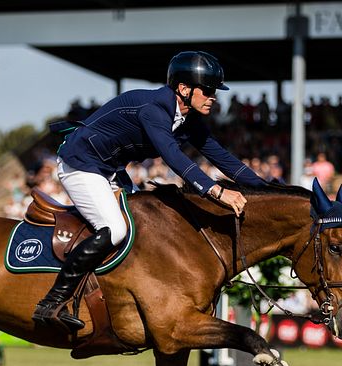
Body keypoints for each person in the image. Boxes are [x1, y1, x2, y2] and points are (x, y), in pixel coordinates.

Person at [32, 50, 266, 332]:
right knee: (115, 229)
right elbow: (174, 157)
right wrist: (216, 191)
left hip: (110, 169)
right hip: (81, 164)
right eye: (207, 90)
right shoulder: (155, 109)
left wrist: (271, 191)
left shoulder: (188, 118)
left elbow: (223, 158)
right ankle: (53, 300)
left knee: (145, 228)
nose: (213, 96)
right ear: (183, 89)